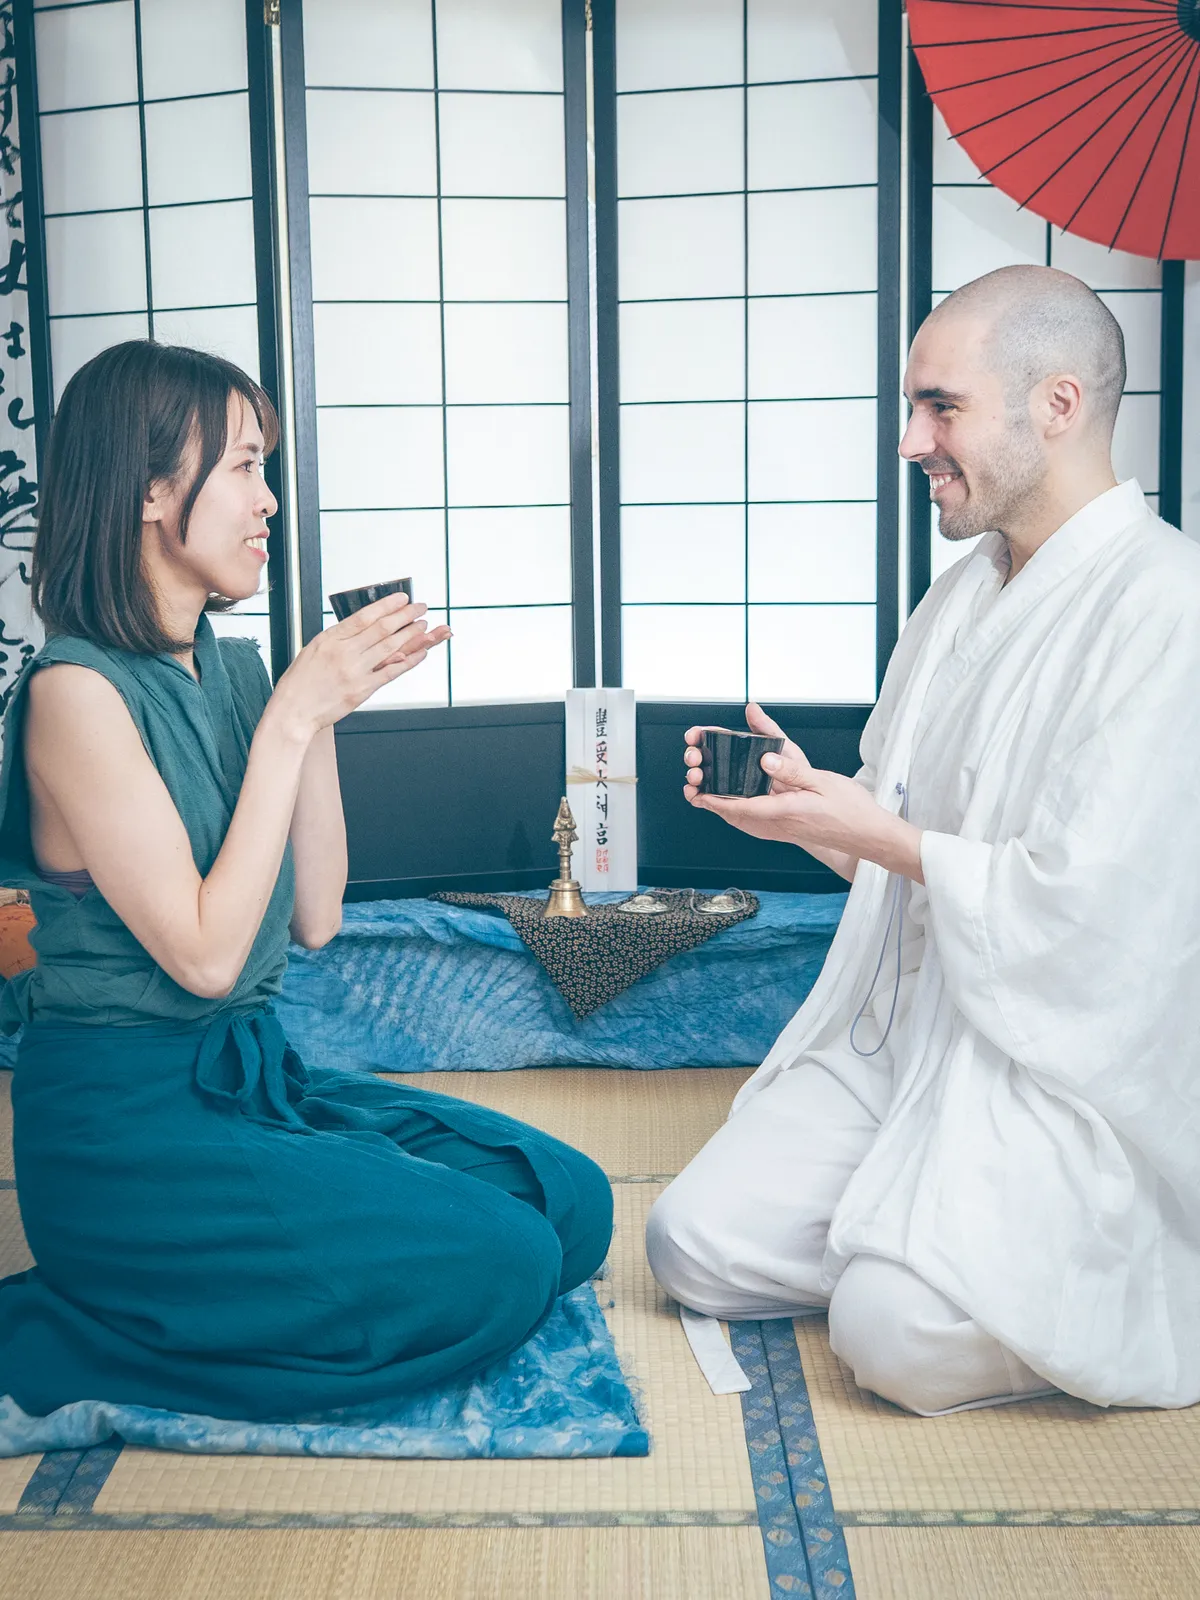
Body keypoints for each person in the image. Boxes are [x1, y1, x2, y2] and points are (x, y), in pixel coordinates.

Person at [0, 341, 612, 1422]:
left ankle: (265, 1267)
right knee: (508, 1263)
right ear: (150, 490)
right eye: (242, 466)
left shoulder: (235, 672)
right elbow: (202, 956)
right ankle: (106, 1310)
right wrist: (290, 718)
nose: (267, 500)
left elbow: (318, 915)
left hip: (255, 1082)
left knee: (569, 1201)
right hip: (130, 1136)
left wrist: (315, 711)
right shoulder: (74, 693)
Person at [646, 265, 1200, 1415]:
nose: (912, 441)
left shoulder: (1166, 605)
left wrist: (882, 835)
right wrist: (807, 818)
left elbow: (1100, 921)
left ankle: (1014, 1261)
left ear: (1055, 405)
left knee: (890, 1338)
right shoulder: (959, 599)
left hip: (1040, 1069)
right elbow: (893, 855)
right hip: (898, 1044)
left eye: (940, 407)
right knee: (690, 1244)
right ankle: (929, 1241)